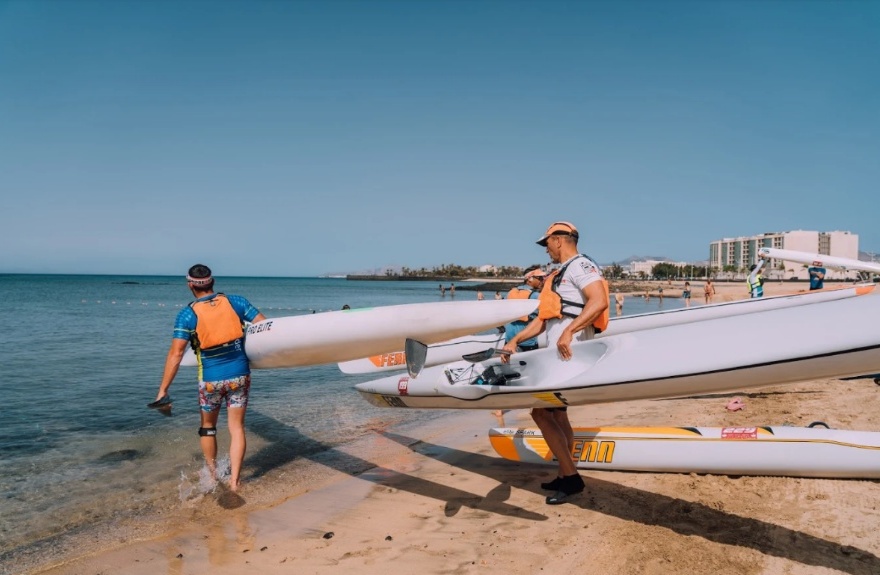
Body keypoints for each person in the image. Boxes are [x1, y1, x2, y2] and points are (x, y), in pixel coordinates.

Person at [501, 221, 609, 505]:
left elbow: (598, 301)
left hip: (567, 355)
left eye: (547, 242)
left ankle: (571, 478)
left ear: (559, 240)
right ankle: (564, 473)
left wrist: (569, 331)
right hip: (559, 355)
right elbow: (543, 320)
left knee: (540, 413)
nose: (546, 248)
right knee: (558, 416)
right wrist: (515, 341)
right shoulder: (561, 272)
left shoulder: (580, 266)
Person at [154, 264, 266, 492]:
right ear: (212, 282)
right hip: (240, 376)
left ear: (190, 285)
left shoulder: (187, 315)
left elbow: (176, 354)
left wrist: (163, 390)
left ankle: (213, 475)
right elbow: (265, 328)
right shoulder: (237, 302)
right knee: (237, 428)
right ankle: (235, 482)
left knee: (208, 427)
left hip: (210, 381)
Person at [502, 266, 547, 352]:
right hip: (527, 343)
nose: (542, 280)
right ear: (530, 279)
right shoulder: (536, 296)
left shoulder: (510, 293)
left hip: (509, 341)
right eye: (540, 278)